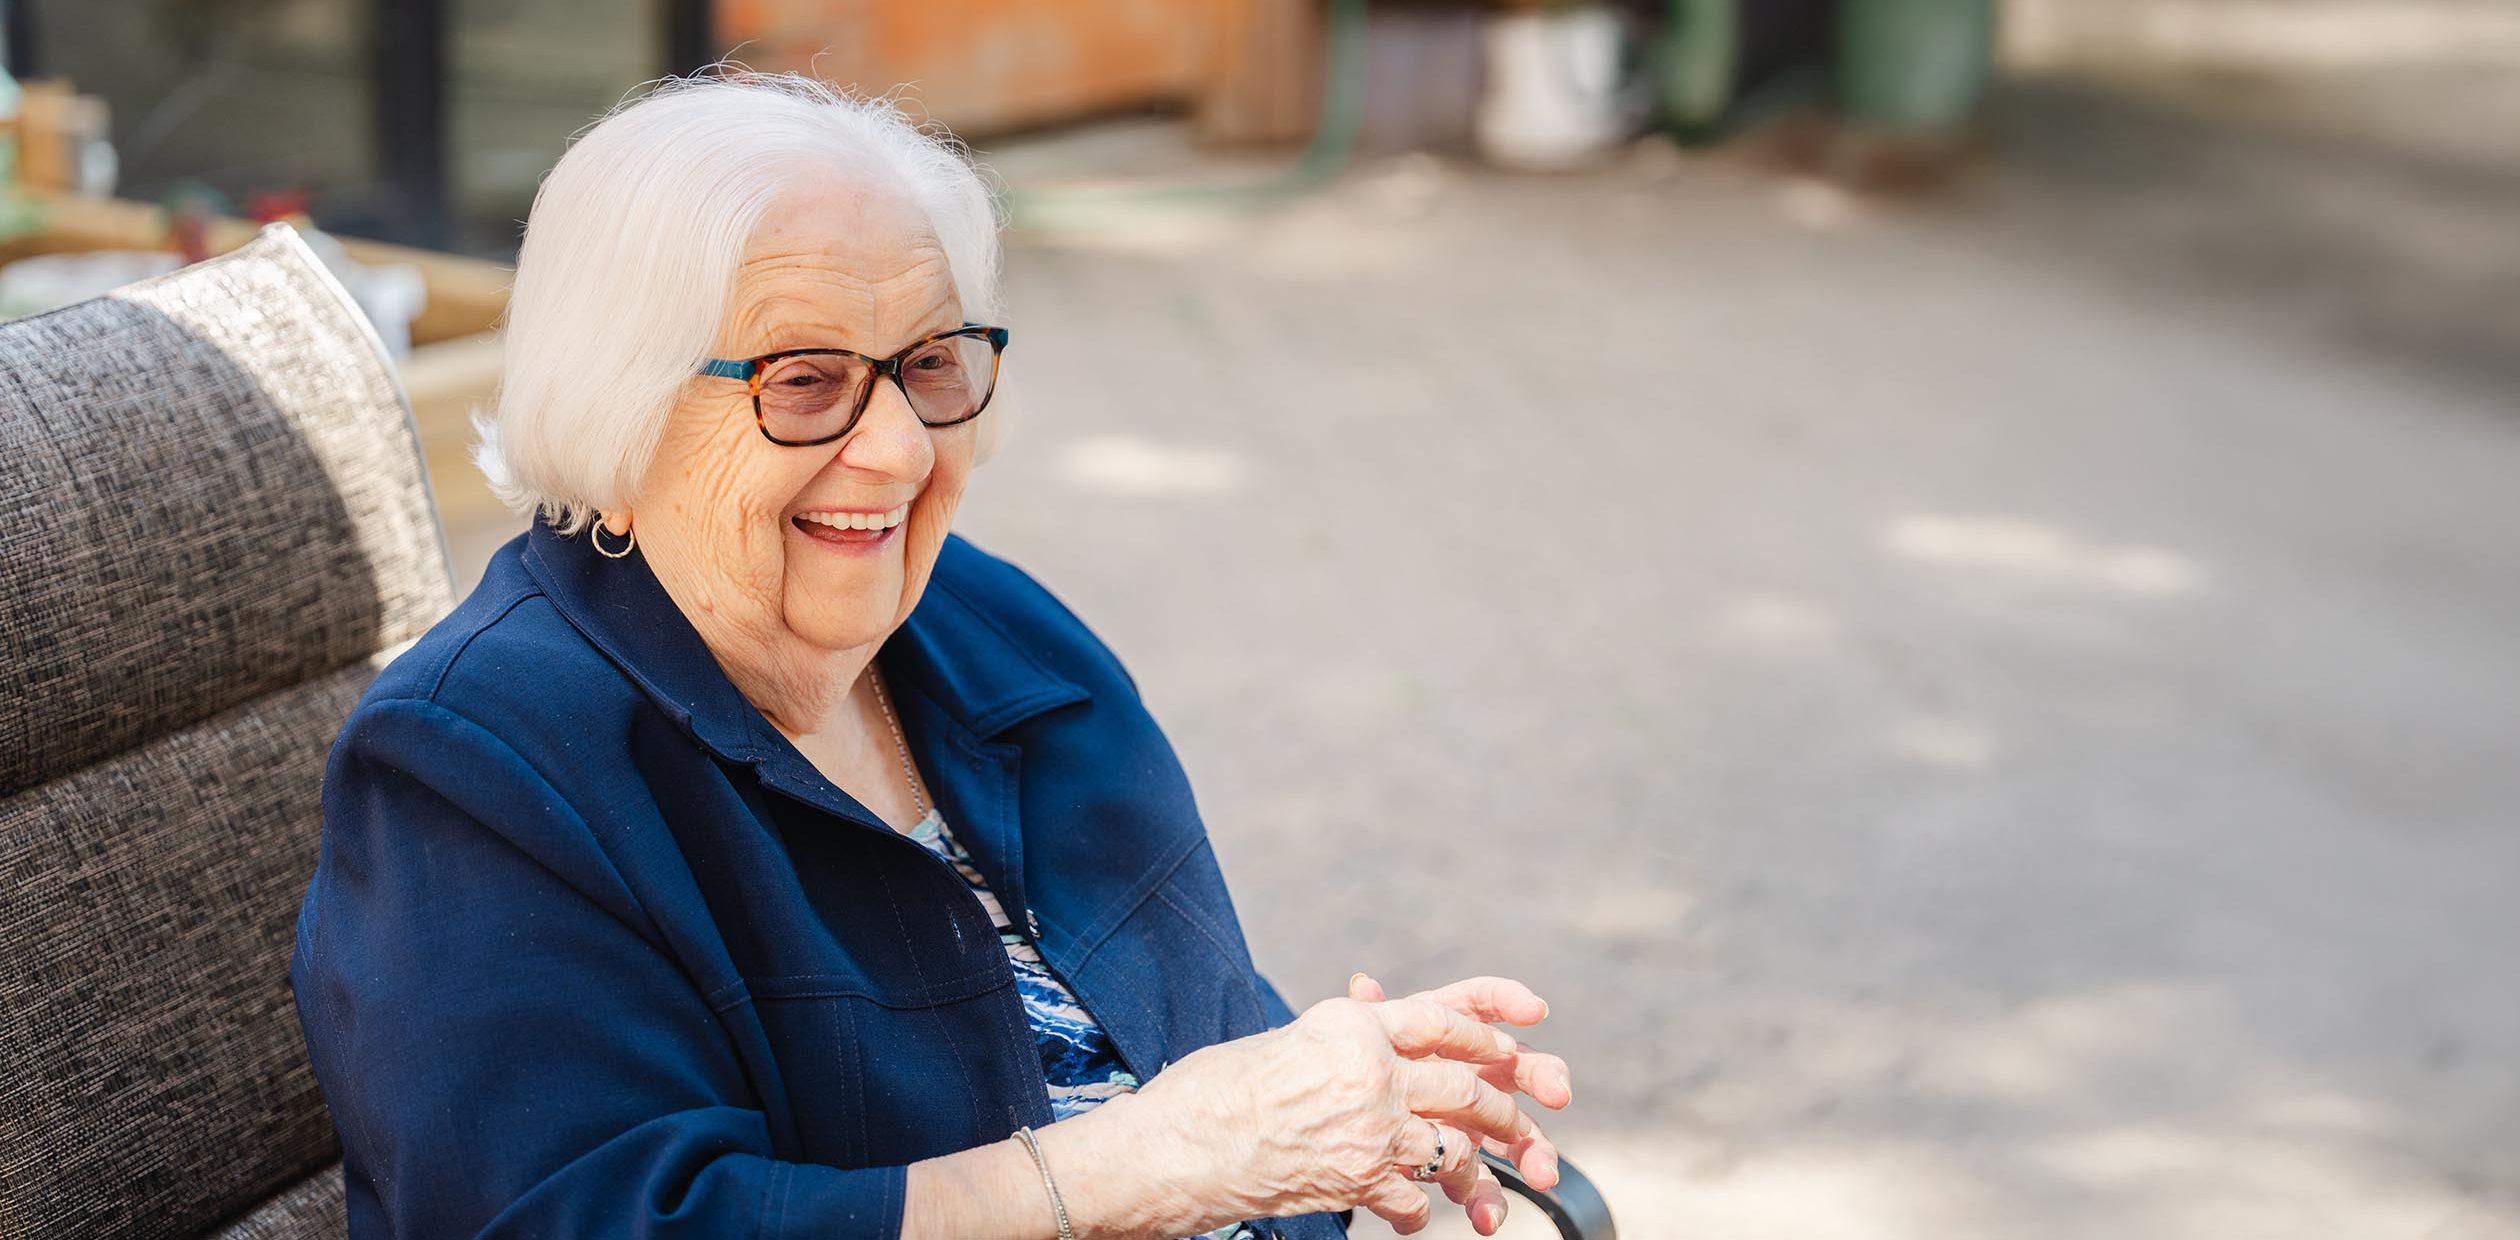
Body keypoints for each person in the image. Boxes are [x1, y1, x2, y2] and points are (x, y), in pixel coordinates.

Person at [292, 72, 1572, 1240]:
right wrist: (1150, 1164)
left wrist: (1379, 1133)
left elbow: (1200, 1024)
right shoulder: (475, 771)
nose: (901, 451)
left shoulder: (991, 628)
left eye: (929, 364)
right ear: (614, 418)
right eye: (803, 381)